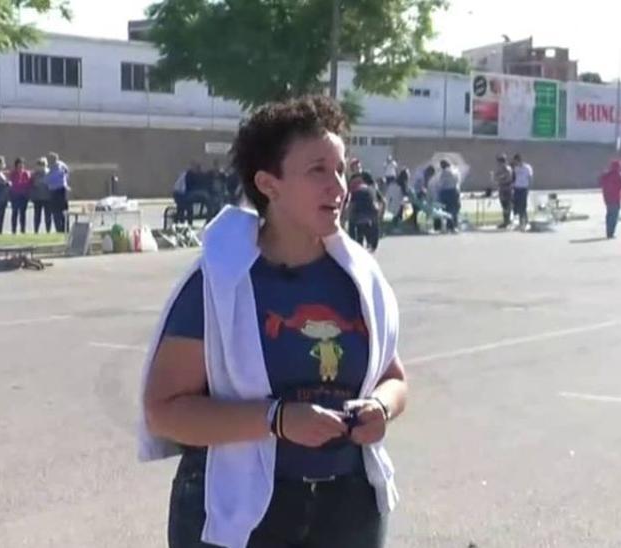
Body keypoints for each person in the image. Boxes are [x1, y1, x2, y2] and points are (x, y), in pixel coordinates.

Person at [140, 95, 405, 548]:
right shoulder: (219, 283)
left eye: (341, 168)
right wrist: (276, 420)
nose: (338, 186)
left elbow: (393, 377)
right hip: (242, 511)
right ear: (269, 184)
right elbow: (164, 410)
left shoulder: (359, 277)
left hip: (349, 509)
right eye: (317, 170)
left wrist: (381, 408)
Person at [347, 173, 383, 252]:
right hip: (372, 212)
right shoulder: (372, 189)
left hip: (360, 214)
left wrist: (349, 214)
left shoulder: (356, 191)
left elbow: (352, 205)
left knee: (354, 224)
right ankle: (372, 244)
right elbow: (381, 201)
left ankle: (355, 243)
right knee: (373, 224)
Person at [599, 159, 621, 239]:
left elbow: (601, 182)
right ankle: (611, 233)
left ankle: (608, 232)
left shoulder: (606, 175)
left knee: (609, 215)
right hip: (615, 199)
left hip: (607, 199)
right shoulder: (618, 175)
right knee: (614, 216)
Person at [45, 152, 71, 233]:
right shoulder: (61, 165)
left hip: (57, 191)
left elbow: (49, 179)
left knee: (59, 212)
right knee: (60, 211)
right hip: (59, 190)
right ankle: (63, 229)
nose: (49, 161)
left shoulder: (56, 167)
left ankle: (62, 229)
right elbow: (67, 173)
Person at [435, 159, 462, 233]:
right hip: (455, 191)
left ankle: (448, 226)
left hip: (446, 192)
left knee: (446, 210)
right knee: (454, 209)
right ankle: (454, 225)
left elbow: (441, 183)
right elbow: (458, 181)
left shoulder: (444, 172)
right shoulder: (456, 171)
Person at [7, 158, 32, 235]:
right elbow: (10, 183)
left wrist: (28, 194)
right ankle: (13, 230)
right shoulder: (13, 173)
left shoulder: (26, 173)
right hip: (15, 195)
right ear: (16, 165)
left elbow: (29, 184)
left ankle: (23, 230)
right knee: (14, 212)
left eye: (22, 164)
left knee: (23, 213)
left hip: (23, 196)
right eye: (19, 164)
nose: (21, 165)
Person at [29, 158, 54, 234]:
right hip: (37, 198)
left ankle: (48, 231)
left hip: (47, 198)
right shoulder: (34, 174)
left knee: (48, 216)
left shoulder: (49, 173)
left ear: (45, 165)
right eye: (39, 165)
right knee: (37, 216)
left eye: (42, 165)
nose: (40, 167)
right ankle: (36, 231)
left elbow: (51, 184)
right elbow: (31, 185)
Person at [510, 153, 533, 231]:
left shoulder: (527, 167)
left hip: (523, 189)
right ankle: (520, 223)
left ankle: (525, 223)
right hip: (517, 188)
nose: (515, 163)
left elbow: (530, 178)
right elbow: (514, 178)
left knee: (523, 206)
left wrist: (529, 188)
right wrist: (512, 187)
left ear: (519, 160)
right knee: (516, 206)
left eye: (515, 161)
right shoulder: (516, 168)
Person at [492, 155, 514, 228]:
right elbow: (495, 178)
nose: (498, 164)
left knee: (507, 206)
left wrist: (500, 178)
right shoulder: (500, 169)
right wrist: (497, 177)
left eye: (500, 162)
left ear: (503, 162)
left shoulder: (507, 169)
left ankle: (507, 222)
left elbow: (508, 179)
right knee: (504, 206)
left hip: (507, 189)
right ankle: (506, 221)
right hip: (501, 189)